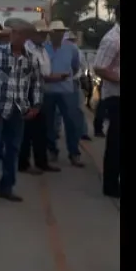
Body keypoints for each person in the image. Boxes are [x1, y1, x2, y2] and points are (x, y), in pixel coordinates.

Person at [0, 18, 42, 204]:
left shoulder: (31, 58)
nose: (18, 37)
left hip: (18, 108)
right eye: (15, 33)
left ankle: (7, 187)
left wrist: (36, 105)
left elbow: (37, 83)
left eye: (22, 34)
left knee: (13, 150)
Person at [18, 20, 61, 175]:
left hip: (39, 90)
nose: (43, 36)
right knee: (27, 130)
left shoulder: (42, 49)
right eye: (40, 33)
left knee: (41, 130)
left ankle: (41, 162)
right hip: (28, 90)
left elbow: (44, 71)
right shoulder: (27, 48)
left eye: (45, 33)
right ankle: (23, 163)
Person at [43, 20, 84, 167]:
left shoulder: (71, 48)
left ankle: (74, 153)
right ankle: (51, 149)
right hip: (48, 90)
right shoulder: (44, 48)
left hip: (67, 90)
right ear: (50, 33)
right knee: (49, 123)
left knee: (71, 122)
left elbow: (75, 65)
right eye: (55, 32)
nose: (58, 35)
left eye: (61, 32)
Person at [93, 2, 120, 199]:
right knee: (116, 142)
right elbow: (100, 68)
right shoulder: (112, 40)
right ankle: (110, 185)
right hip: (116, 97)